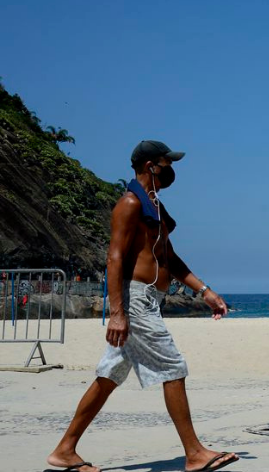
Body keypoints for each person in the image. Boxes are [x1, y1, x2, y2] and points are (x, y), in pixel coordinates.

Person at [47, 140, 239, 472]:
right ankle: (194, 453)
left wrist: (205, 290)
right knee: (172, 368)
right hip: (136, 300)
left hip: (150, 298)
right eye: (167, 163)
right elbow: (115, 257)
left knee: (109, 375)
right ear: (151, 165)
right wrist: (118, 313)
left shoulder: (155, 207)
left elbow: (170, 258)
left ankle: (65, 450)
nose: (172, 169)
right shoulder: (130, 203)